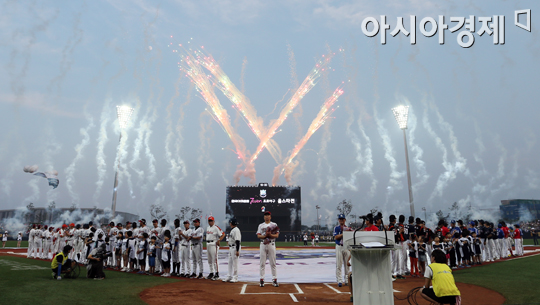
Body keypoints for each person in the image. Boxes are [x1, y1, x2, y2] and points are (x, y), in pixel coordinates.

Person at [256, 211, 280, 287]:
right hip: (263, 243)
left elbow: (276, 235)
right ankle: (262, 279)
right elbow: (259, 236)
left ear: (270, 216)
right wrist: (265, 236)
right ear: (264, 217)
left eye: (268, 215)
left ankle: (274, 279)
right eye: (265, 215)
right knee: (262, 263)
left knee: (273, 262)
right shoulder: (261, 225)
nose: (267, 216)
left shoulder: (274, 225)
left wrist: (270, 235)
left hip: (271, 243)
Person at [206, 216, 225, 280]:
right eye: (209, 221)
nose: (210, 222)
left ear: (214, 221)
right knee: (209, 260)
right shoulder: (208, 227)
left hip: (213, 244)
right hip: (208, 244)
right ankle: (211, 272)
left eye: (211, 221)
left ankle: (217, 273)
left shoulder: (216, 227)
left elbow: (223, 234)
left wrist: (219, 240)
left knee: (214, 259)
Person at [333, 214, 350, 287]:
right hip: (339, 246)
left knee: (347, 264)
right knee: (339, 264)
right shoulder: (336, 228)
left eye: (342, 219)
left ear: (345, 220)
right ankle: (339, 280)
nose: (341, 220)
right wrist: (344, 234)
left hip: (346, 246)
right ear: (338, 220)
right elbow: (336, 237)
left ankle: (347, 280)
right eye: (340, 219)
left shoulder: (347, 228)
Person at [223, 218, 241, 283]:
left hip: (235, 247)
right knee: (230, 262)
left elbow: (237, 241)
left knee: (235, 263)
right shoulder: (233, 230)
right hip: (231, 247)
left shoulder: (236, 230)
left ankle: (235, 277)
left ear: (231, 223)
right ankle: (229, 276)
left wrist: (237, 250)